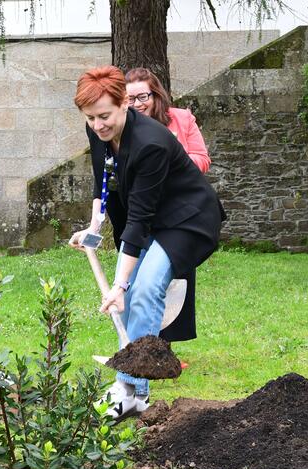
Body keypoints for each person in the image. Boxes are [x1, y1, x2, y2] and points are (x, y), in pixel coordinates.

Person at [69, 66, 224, 419]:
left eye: (104, 116)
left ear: (124, 103)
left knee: (144, 288)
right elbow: (102, 177)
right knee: (129, 297)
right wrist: (94, 226)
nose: (98, 125)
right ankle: (136, 393)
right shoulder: (99, 129)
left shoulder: (150, 143)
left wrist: (120, 284)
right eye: (90, 118)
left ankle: (128, 389)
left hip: (187, 218)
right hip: (154, 217)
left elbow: (138, 220)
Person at [124, 67, 211, 349]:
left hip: (179, 215)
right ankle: (135, 351)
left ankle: (161, 350)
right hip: (145, 214)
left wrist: (171, 159)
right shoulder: (123, 130)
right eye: (130, 99)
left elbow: (202, 159)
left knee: (170, 284)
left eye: (143, 96)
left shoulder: (181, 119)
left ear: (156, 95)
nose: (138, 104)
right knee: (134, 286)